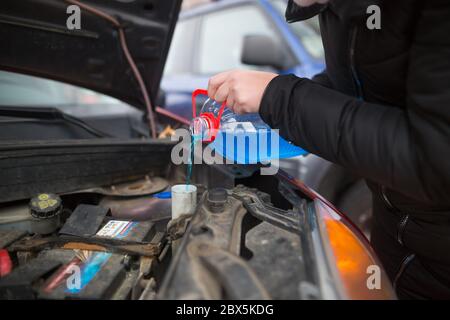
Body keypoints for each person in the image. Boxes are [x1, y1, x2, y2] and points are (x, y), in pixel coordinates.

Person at [207, 0, 450, 299]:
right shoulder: (336, 7)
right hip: (393, 232)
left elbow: (435, 161)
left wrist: (280, 97)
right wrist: (273, 108)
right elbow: (361, 93)